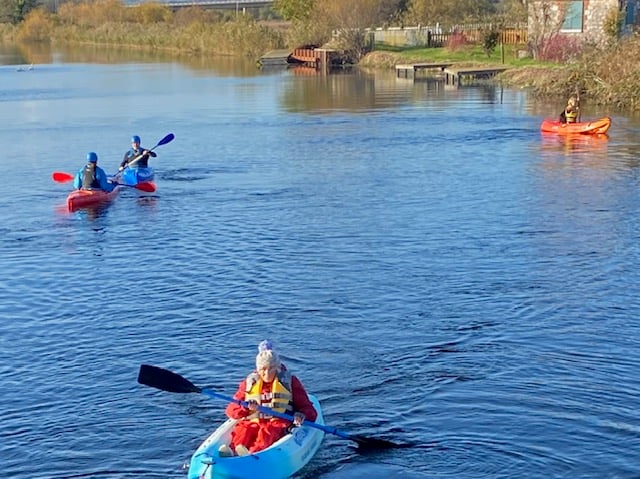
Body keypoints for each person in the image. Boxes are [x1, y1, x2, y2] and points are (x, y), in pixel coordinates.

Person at [219, 345, 317, 457]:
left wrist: (301, 415)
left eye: (271, 368)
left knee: (268, 433)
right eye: (263, 369)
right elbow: (231, 411)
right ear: (258, 369)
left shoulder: (290, 382)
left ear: (277, 368)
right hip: (255, 421)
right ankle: (233, 452)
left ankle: (252, 455)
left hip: (279, 421)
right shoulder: (249, 383)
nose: (266, 373)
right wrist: (245, 407)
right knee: (244, 430)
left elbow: (309, 410)